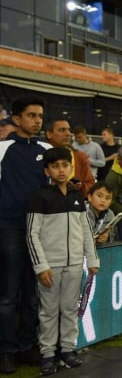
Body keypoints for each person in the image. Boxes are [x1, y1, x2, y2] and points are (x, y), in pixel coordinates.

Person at [26, 147, 100, 375]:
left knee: (69, 309)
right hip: (50, 266)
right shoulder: (40, 197)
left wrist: (92, 258)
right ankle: (48, 354)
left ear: (71, 167)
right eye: (55, 166)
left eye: (65, 165)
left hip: (75, 265)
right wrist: (41, 267)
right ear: (47, 169)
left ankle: (67, 350)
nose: (61, 170)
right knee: (48, 312)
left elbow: (87, 230)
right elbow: (31, 234)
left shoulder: (77, 195)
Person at [0, 95, 52, 374]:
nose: (37, 121)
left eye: (40, 116)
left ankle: (26, 346)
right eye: (32, 115)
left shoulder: (47, 149)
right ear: (17, 119)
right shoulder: (3, 149)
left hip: (40, 234)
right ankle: (6, 350)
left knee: (33, 296)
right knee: (8, 295)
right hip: (8, 228)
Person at [44, 119, 96, 196]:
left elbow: (91, 185)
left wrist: (80, 186)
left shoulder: (80, 157)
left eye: (69, 130)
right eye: (62, 130)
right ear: (49, 134)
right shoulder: (40, 156)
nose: (68, 134)